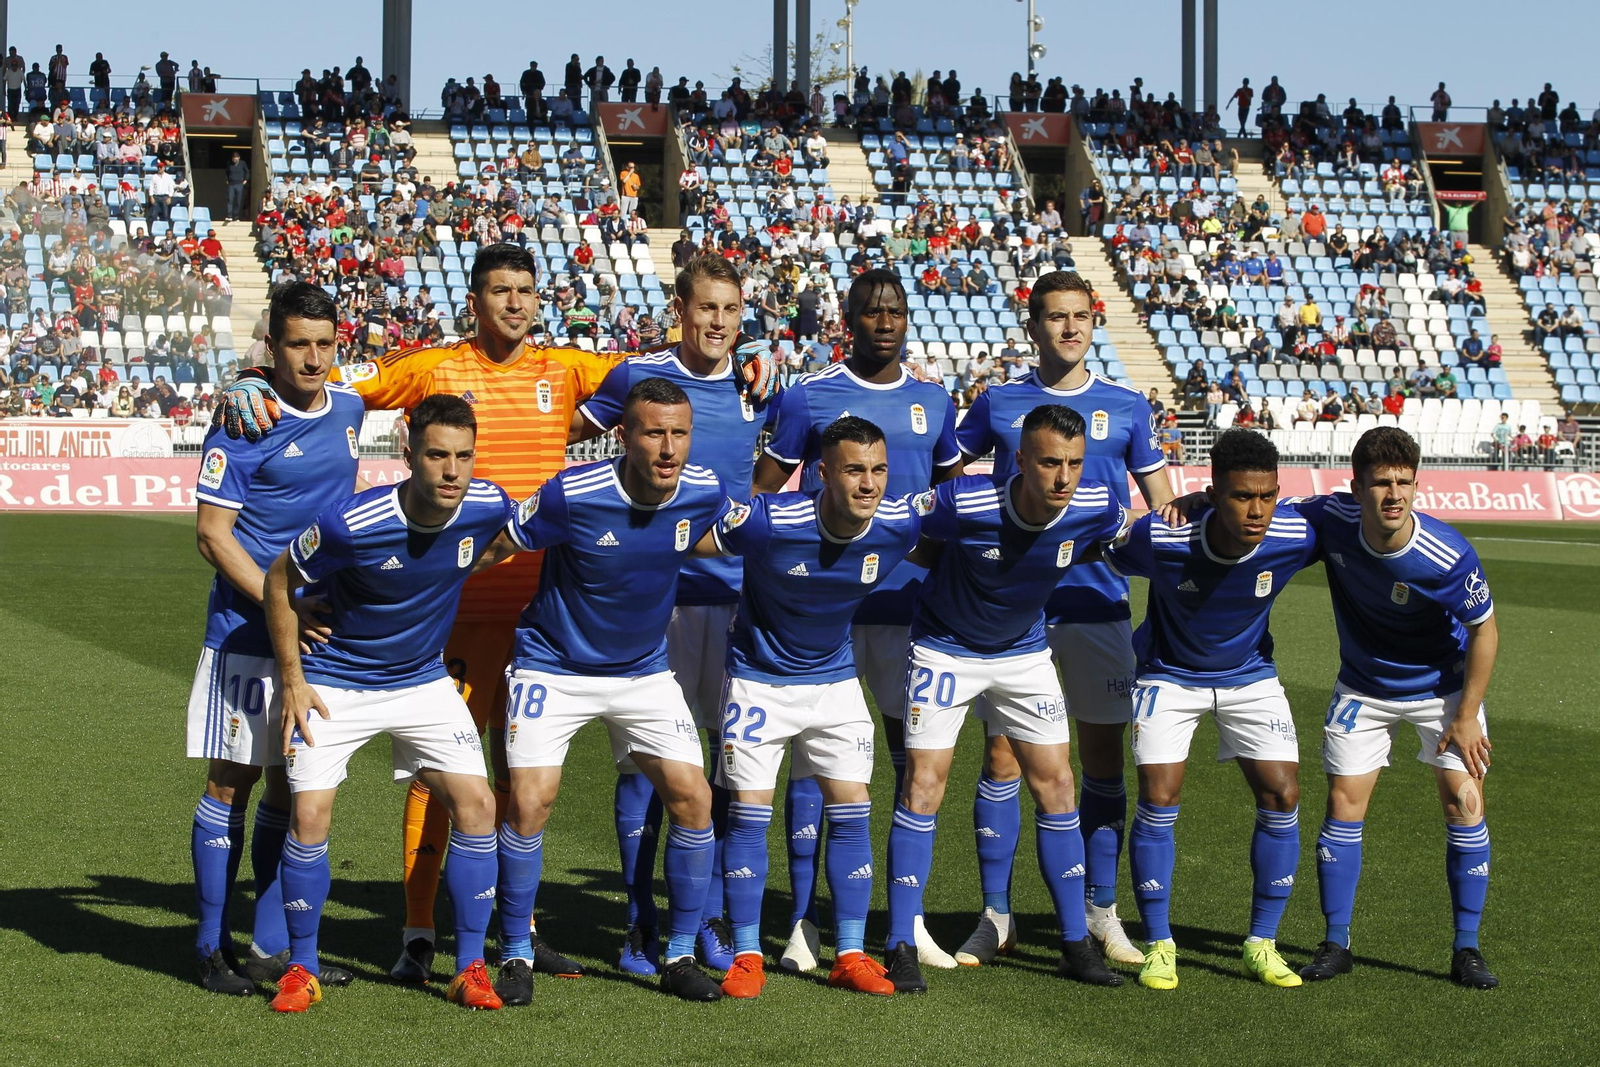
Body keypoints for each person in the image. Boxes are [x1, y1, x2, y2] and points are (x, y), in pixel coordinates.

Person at [212, 244, 718, 982]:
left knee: (520, 778)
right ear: (473, 301)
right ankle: (419, 929)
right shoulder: (432, 369)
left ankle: (523, 926)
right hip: (454, 610)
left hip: (545, 614)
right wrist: (254, 377)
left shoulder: (568, 368)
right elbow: (331, 380)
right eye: (500, 292)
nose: (515, 304)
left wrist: (750, 364)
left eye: (526, 291)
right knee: (438, 775)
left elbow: (655, 375)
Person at [476, 376, 733, 1003]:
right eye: (654, 433)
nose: (669, 447)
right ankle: (514, 951)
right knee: (531, 802)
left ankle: (674, 952)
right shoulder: (573, 492)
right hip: (552, 667)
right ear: (624, 436)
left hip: (642, 671)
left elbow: (711, 536)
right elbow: (496, 545)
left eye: (680, 433)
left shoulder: (703, 491)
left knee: (693, 798)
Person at [260, 395, 514, 1013]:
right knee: (310, 817)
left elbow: (499, 545)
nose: (452, 471)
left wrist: (455, 571)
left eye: (463, 457)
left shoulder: (487, 504)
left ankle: (471, 966)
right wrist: (292, 680)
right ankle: (302, 967)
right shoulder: (352, 522)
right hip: (336, 681)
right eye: (436, 456)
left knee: (477, 805)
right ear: (409, 454)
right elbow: (276, 579)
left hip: (423, 681)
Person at [949, 270, 1171, 968]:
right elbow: (942, 471)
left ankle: (1101, 911)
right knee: (1002, 755)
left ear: (1093, 321)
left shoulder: (1128, 405)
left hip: (1097, 603)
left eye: (1080, 316)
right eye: (1055, 316)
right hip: (1014, 614)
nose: (1069, 328)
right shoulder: (1000, 402)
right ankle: (996, 913)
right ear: (1032, 324)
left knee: (1103, 759)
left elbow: (1162, 510)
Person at [569, 255, 777, 975]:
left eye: (730, 309)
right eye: (705, 308)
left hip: (733, 598)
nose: (718, 322)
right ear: (680, 310)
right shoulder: (636, 377)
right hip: (652, 600)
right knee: (643, 765)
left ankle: (710, 914)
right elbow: (561, 430)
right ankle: (638, 919)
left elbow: (780, 471)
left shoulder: (762, 387)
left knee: (721, 761)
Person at [752, 268, 963, 972]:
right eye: (871, 311)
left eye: (895, 311)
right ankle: (803, 921)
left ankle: (909, 918)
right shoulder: (808, 394)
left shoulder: (934, 401)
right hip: (825, 610)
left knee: (914, 760)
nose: (884, 321)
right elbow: (764, 498)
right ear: (847, 317)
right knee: (815, 764)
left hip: (911, 608)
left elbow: (950, 504)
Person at [884, 405, 1132, 993]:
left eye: (1073, 463)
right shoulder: (963, 502)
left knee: (1058, 784)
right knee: (924, 783)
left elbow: (1132, 531)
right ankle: (900, 943)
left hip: (1024, 655)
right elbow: (898, 528)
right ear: (1019, 461)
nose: (1063, 477)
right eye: (1049, 462)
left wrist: (1189, 507)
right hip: (945, 650)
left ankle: (1075, 941)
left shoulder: (1093, 505)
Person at [185, 283, 364, 995]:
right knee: (232, 782)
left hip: (321, 638)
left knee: (295, 785)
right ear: (272, 347)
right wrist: (279, 599)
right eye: (297, 344)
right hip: (245, 631)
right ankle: (207, 945)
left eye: (324, 344)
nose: (313, 357)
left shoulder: (351, 408)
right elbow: (211, 534)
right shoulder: (243, 421)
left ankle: (267, 944)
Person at [704, 417, 919, 999]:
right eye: (854, 470)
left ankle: (849, 953)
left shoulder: (899, 523)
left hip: (835, 684)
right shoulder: (771, 520)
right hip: (758, 683)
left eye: (878, 471)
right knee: (750, 811)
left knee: (853, 807)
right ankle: (746, 953)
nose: (869, 484)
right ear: (822, 474)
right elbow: (688, 538)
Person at [1100, 430, 1319, 990]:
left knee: (1283, 794)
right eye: (1243, 496)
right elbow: (1104, 545)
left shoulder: (1294, 533)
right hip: (1168, 676)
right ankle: (1159, 945)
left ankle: (1261, 943)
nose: (1258, 510)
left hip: (1250, 676)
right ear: (1216, 491)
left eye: (1268, 495)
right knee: (1159, 796)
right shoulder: (1165, 536)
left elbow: (1347, 517)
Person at [1290, 429, 1500, 989]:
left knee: (1464, 801)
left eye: (1404, 482)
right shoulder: (1331, 519)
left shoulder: (1446, 554)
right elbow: (1262, 509)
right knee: (1342, 806)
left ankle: (1467, 949)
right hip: (1364, 688)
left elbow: (1485, 631)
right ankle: (1336, 942)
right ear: (1356, 486)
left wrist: (1466, 713)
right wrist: (1200, 500)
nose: (1394, 494)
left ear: (1416, 484)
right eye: (1381, 482)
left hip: (1444, 690)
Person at [225, 152, 250, 221]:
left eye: (236, 158)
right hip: (231, 184)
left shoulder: (242, 163)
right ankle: (229, 215)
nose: (234, 159)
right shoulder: (229, 164)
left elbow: (247, 171)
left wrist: (246, 180)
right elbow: (227, 172)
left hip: (239, 184)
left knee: (238, 201)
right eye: (233, 158)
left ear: (238, 158)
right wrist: (227, 179)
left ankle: (236, 216)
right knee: (230, 199)